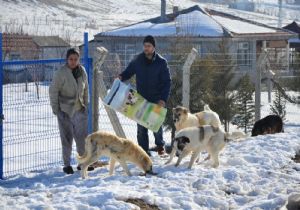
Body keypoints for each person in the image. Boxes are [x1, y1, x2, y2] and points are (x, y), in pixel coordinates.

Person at [119, 35, 171, 156]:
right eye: (145, 46)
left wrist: (163, 99)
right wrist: (121, 76)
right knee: (141, 128)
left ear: (154, 47)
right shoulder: (138, 60)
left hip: (156, 99)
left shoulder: (161, 62)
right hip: (140, 98)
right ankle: (143, 150)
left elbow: (167, 82)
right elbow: (128, 72)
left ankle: (160, 146)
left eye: (149, 46)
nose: (146, 48)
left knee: (156, 124)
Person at [49, 48, 94, 174]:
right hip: (65, 111)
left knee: (82, 139)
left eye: (76, 59)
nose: (73, 62)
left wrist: (86, 105)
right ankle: (67, 164)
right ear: (67, 60)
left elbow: (86, 90)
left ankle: (82, 163)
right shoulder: (61, 73)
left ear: (78, 60)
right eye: (71, 59)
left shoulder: (82, 71)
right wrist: (56, 109)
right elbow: (53, 91)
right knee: (67, 138)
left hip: (80, 110)